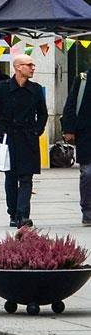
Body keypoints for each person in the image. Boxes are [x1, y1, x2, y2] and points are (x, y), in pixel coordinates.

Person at [0, 52, 47, 228]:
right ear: (18, 67)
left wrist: (37, 130)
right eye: (29, 65)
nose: (33, 68)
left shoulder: (35, 89)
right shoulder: (2, 87)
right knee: (11, 177)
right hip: (9, 138)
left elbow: (43, 113)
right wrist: (2, 132)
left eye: (33, 65)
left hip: (28, 137)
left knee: (27, 177)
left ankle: (23, 215)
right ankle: (13, 212)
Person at [61, 63, 91, 226]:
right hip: (86, 134)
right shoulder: (83, 79)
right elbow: (71, 105)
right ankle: (87, 212)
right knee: (87, 173)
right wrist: (68, 129)